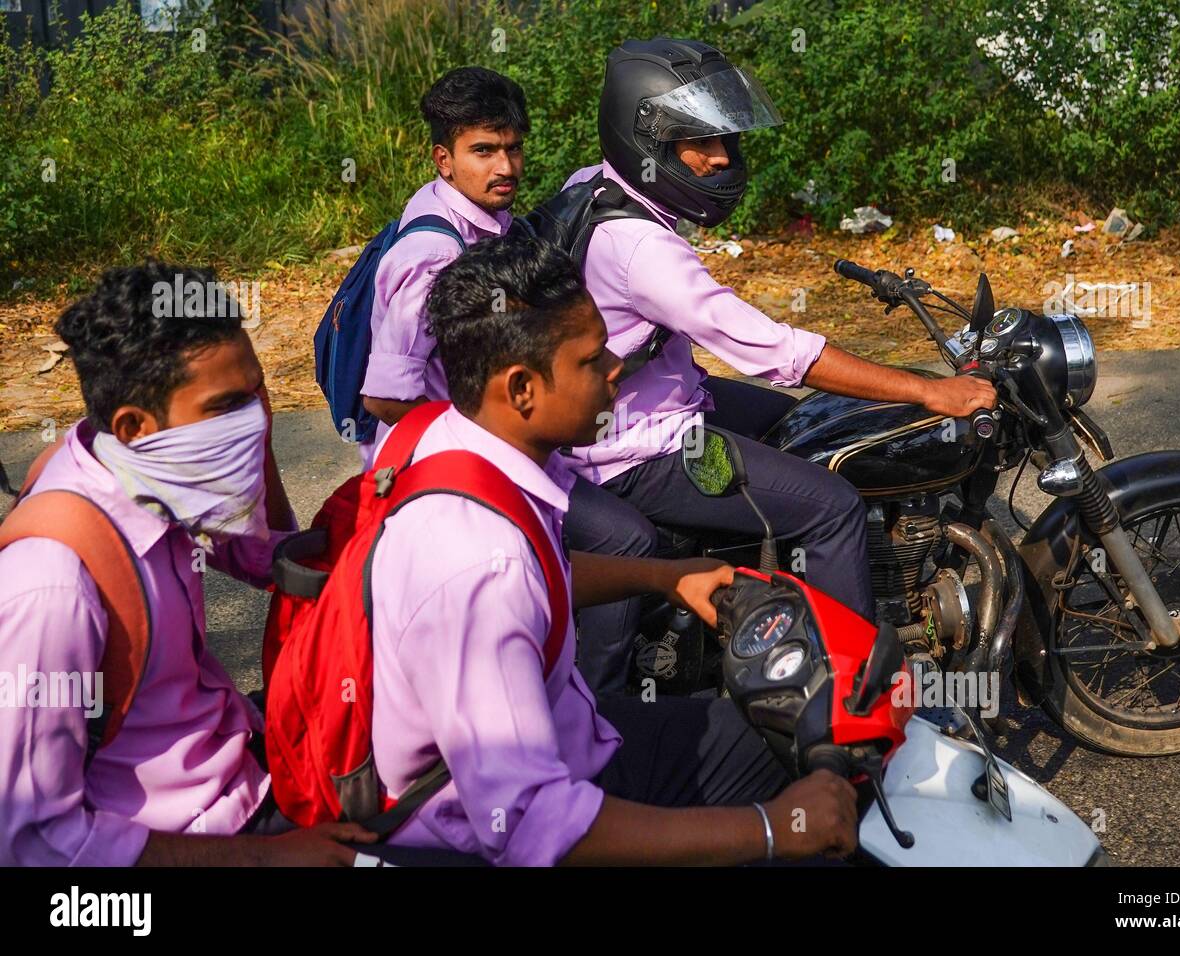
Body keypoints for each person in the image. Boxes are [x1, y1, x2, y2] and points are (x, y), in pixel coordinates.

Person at [366, 233, 860, 865]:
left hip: (568, 728)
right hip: (494, 823)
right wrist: (774, 829)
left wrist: (664, 577)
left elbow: (541, 574)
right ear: (521, 389)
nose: (616, 371)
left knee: (766, 738)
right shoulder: (477, 565)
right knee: (803, 803)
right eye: (592, 361)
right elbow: (533, 828)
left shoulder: (453, 444)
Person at [559, 37, 998, 694]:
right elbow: (772, 351)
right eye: (698, 144)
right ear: (645, 139)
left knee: (816, 431)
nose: (720, 159)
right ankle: (851, 701)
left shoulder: (594, 188)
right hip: (631, 450)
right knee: (833, 505)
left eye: (726, 142)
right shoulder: (641, 248)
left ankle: (776, 611)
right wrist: (929, 390)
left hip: (647, 407)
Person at [0, 262, 375, 866]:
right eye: (228, 407)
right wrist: (271, 858)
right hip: (196, 835)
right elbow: (35, 841)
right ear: (134, 427)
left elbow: (261, 553)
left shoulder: (142, 469)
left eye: (257, 395)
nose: (252, 420)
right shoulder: (50, 588)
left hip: (240, 757)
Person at [357, 66, 529, 467]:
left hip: (466, 442)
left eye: (514, 148)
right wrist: (476, 450)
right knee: (619, 532)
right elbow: (384, 396)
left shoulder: (447, 201)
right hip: (436, 467)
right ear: (444, 159)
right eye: (483, 151)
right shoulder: (435, 256)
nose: (505, 167)